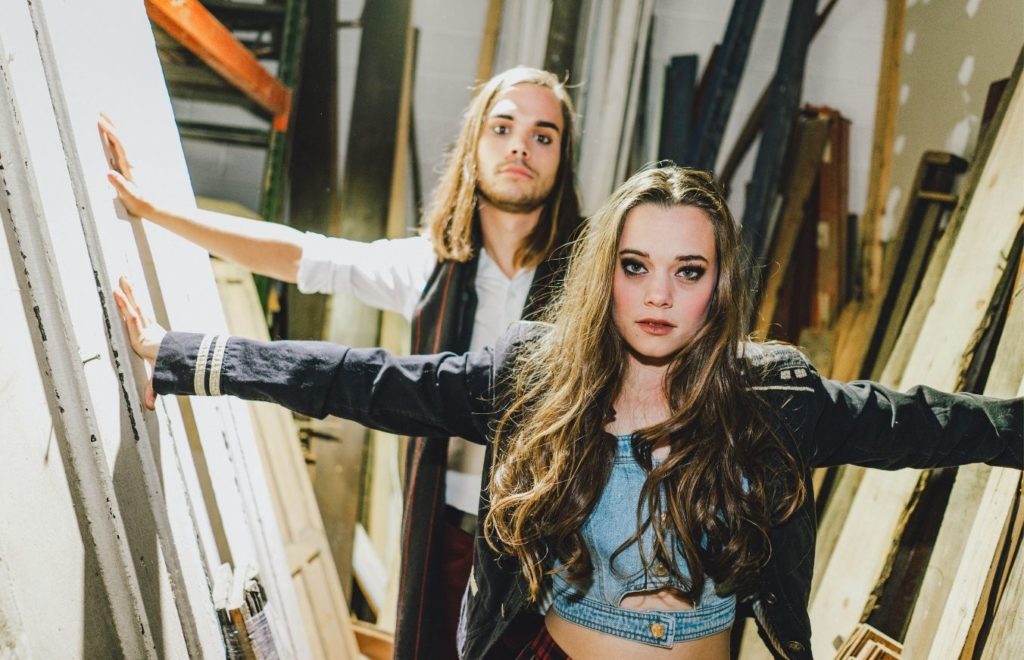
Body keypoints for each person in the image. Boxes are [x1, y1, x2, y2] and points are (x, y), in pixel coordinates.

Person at [115, 166, 1022, 660]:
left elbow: (929, 424)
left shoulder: (774, 399)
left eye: (689, 271)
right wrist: (188, 356)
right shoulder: (536, 378)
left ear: (721, 287)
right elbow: (368, 378)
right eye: (636, 267)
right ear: (606, 275)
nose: (659, 295)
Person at [101, 66, 583, 659]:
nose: (519, 147)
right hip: (446, 528)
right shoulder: (431, 268)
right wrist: (160, 211)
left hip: (554, 547)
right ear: (474, 144)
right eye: (503, 126)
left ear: (563, 156)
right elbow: (305, 255)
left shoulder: (589, 282)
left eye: (543, 134)